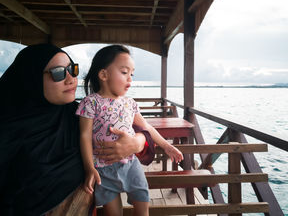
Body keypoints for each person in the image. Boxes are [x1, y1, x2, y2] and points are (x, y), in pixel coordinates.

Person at [0, 44, 154, 216]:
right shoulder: (7, 131)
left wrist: (137, 142)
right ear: (31, 78)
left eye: (72, 69)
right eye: (58, 72)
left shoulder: (77, 116)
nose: (71, 79)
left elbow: (143, 134)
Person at [76, 45, 183, 216]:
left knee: (142, 203)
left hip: (132, 165)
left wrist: (166, 146)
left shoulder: (129, 103)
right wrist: (89, 168)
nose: (130, 79)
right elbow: (84, 135)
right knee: (113, 213)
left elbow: (146, 127)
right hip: (103, 168)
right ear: (103, 75)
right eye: (124, 72)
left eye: (132, 74)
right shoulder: (90, 103)